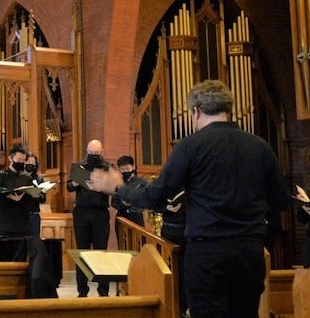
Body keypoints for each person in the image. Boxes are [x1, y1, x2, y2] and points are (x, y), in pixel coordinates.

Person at [86, 79, 290, 317]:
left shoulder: (190, 147)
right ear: (229, 109)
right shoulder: (260, 147)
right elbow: (282, 201)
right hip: (250, 250)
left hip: (208, 253)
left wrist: (119, 188)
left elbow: (154, 195)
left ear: (195, 111)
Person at [67, 140, 111, 297]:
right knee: (82, 251)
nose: (93, 156)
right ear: (87, 151)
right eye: (91, 154)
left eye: (96, 154)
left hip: (100, 213)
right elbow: (69, 186)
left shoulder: (108, 167)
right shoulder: (79, 166)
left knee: (101, 252)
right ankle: (82, 290)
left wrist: (102, 183)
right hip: (82, 212)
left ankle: (103, 290)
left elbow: (115, 188)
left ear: (102, 152)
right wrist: (76, 181)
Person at [0, 145, 45, 237]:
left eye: (23, 160)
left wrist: (21, 199)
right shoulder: (1, 175)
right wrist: (12, 192)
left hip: (23, 224)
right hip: (4, 222)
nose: (21, 162)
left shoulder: (27, 178)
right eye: (19, 159)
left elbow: (31, 198)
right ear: (10, 158)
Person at [159, 189, 188, 318]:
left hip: (184, 232)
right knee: (166, 269)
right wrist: (166, 207)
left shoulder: (189, 187)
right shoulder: (167, 186)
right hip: (167, 230)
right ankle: (168, 304)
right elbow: (154, 202)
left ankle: (182, 307)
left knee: (183, 272)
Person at [111, 155, 146, 227]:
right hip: (122, 216)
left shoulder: (141, 183)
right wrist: (123, 204)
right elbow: (114, 202)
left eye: (127, 168)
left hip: (136, 216)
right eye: (122, 169)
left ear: (133, 167)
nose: (125, 171)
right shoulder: (118, 183)